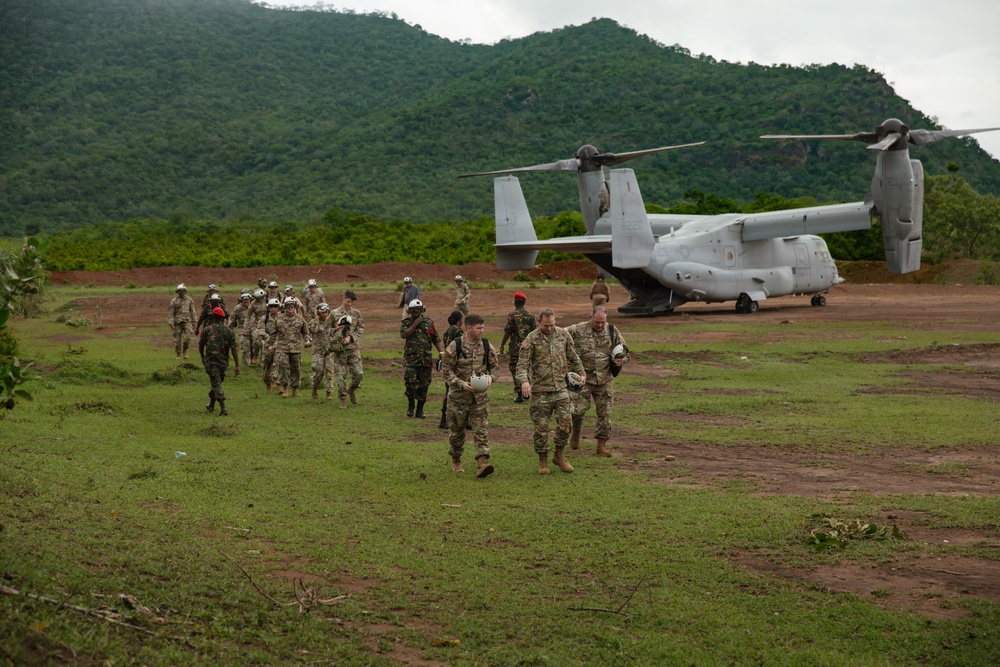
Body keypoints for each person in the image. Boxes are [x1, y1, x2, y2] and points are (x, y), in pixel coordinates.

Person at [515, 308, 586, 475]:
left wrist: (582, 373)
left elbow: (573, 356)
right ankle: (543, 461)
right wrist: (525, 381)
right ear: (539, 322)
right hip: (541, 391)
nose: (549, 328)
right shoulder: (531, 338)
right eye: (546, 325)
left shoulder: (563, 334)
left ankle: (559, 455)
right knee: (541, 428)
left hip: (561, 388)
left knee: (565, 423)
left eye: (552, 325)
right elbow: (522, 364)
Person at [565, 306, 629, 457]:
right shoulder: (578, 329)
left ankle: (601, 446)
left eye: (602, 322)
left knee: (605, 415)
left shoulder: (613, 331)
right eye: (597, 322)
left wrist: (622, 359)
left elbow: (625, 351)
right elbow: (562, 332)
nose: (600, 325)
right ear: (590, 317)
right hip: (583, 379)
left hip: (604, 380)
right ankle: (576, 432)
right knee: (578, 410)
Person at [442, 313, 499, 477]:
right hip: (458, 399)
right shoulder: (455, 346)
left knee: (481, 430)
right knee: (457, 432)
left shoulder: (487, 346)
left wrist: (490, 378)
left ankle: (482, 463)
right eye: (478, 328)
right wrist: (461, 383)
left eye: (482, 327)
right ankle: (456, 460)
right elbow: (446, 371)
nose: (482, 331)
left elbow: (495, 368)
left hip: (480, 399)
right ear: (468, 328)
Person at [400, 298, 442, 418]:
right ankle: (410, 406)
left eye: (417, 310)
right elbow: (404, 334)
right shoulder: (406, 322)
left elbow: (436, 338)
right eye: (413, 311)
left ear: (422, 310)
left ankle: (420, 410)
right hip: (411, 360)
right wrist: (415, 324)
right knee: (410, 384)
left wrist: (441, 352)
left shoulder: (429, 323)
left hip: (426, 360)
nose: (415, 313)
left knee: (424, 386)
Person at [199, 306, 240, 415]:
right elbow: (233, 349)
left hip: (212, 361)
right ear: (223, 318)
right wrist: (237, 365)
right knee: (217, 381)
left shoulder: (207, 329)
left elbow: (201, 345)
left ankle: (223, 408)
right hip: (223, 362)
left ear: (213, 317)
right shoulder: (229, 331)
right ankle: (211, 405)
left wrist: (202, 357)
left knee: (216, 384)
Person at [269, 296, 312, 397]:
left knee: (296, 369)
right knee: (283, 368)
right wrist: (271, 345)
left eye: (292, 306)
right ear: (284, 307)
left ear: (295, 307)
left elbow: (305, 333)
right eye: (288, 306)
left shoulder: (300, 318)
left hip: (296, 348)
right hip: (282, 348)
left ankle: (295, 390)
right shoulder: (279, 319)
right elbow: (273, 333)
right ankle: (285, 389)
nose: (290, 308)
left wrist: (307, 340)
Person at [499, 292, 536, 403]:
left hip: (515, 347)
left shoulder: (512, 315)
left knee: (514, 368)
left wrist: (502, 345)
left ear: (515, 303)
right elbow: (534, 332)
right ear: (524, 303)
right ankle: (527, 392)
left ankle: (520, 393)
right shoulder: (530, 316)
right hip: (528, 346)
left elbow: (508, 331)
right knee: (526, 368)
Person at [331, 290, 365, 408]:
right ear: (343, 298)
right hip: (340, 351)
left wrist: (351, 337)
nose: (350, 304)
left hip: (353, 349)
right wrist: (336, 330)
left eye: (352, 302)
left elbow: (360, 328)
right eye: (348, 301)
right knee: (341, 377)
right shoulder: (334, 313)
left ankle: (351, 389)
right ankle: (343, 399)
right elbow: (327, 330)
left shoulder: (356, 313)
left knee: (359, 374)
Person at [439, 310, 464, 429]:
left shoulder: (447, 331)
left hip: (448, 362)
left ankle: (444, 420)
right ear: (459, 321)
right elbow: (461, 347)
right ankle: (464, 420)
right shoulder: (458, 331)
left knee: (448, 391)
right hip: (457, 364)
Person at [309, 303, 336, 400]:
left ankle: (328, 393)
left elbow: (336, 331)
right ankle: (314, 387)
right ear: (318, 313)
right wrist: (316, 318)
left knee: (330, 372)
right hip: (318, 350)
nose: (324, 314)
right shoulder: (314, 322)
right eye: (322, 312)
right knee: (318, 371)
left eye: (326, 312)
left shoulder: (331, 321)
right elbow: (313, 330)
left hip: (329, 350)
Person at [255, 298, 282, 393]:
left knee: (279, 364)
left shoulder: (282, 318)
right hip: (268, 345)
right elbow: (259, 330)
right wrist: (268, 337)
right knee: (267, 365)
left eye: (275, 306)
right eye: (271, 306)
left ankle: (278, 384)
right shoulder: (264, 318)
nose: (273, 308)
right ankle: (268, 384)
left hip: (279, 345)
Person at [167, 283, 197, 360]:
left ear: (185, 291)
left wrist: (194, 321)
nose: (182, 292)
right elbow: (171, 312)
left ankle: (185, 351)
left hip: (187, 321)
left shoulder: (189, 300)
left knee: (187, 338)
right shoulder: (174, 301)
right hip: (177, 322)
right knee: (177, 340)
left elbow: (193, 311)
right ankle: (178, 354)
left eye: (183, 291)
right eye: (180, 291)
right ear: (177, 291)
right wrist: (171, 323)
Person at [229, 292, 255, 368]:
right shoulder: (238, 308)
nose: (246, 303)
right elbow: (233, 319)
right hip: (242, 328)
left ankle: (253, 362)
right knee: (245, 346)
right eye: (244, 301)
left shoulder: (254, 306)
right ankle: (245, 364)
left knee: (254, 346)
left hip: (253, 328)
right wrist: (230, 327)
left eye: (247, 301)